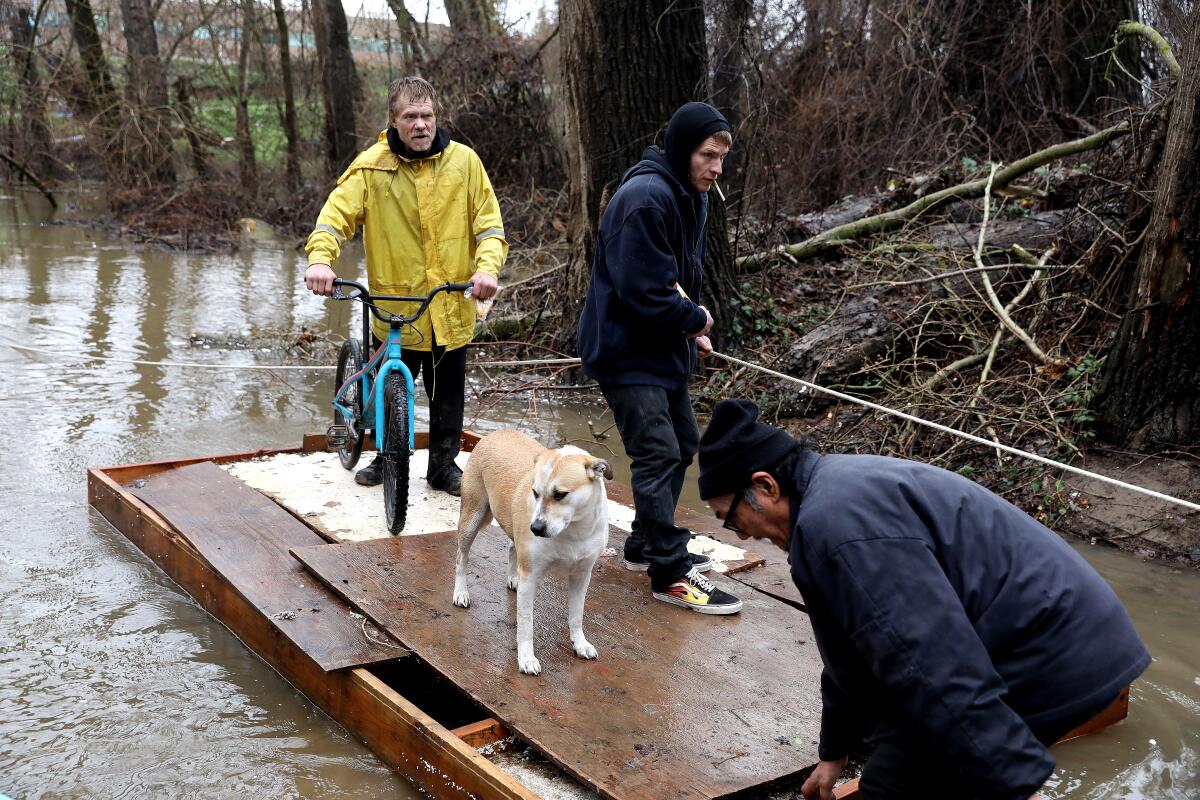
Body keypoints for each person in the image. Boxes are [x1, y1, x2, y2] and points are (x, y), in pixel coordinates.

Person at [697, 399, 1151, 800]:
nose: (743, 534)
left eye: (731, 520)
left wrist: (1014, 782)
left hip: (1057, 649)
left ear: (767, 487)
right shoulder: (828, 503)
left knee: (895, 785)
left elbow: (933, 660)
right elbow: (847, 651)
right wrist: (834, 752)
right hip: (1040, 634)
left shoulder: (837, 528)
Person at [576, 101, 742, 615]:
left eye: (721, 159)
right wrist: (693, 320)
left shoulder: (690, 193)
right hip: (627, 349)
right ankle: (668, 572)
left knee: (683, 442)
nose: (716, 169)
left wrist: (688, 326)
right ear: (681, 149)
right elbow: (643, 290)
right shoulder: (645, 198)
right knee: (657, 451)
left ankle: (645, 544)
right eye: (708, 156)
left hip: (659, 343)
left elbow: (673, 277)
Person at [304, 76, 505, 496]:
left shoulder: (465, 163)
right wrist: (321, 260)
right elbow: (333, 218)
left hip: (448, 305)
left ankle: (443, 466)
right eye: (410, 116)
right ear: (393, 121)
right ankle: (383, 455)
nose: (420, 124)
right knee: (384, 388)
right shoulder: (371, 166)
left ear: (437, 117)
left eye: (427, 115)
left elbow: (490, 227)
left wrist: (487, 270)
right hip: (394, 305)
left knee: (447, 395)